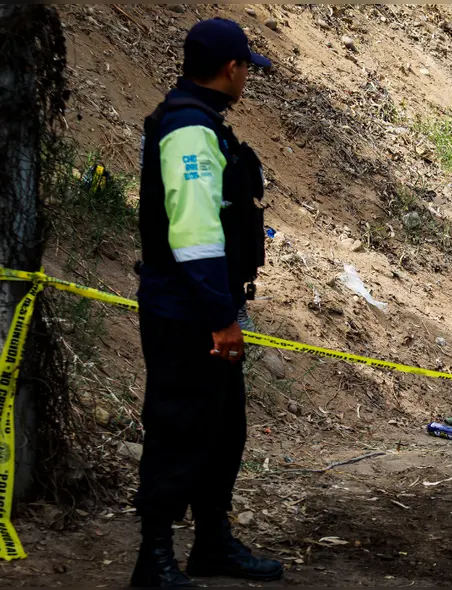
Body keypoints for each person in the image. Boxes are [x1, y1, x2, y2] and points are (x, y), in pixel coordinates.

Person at [132, 17, 278, 587]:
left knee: (221, 430)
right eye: (246, 68)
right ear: (231, 69)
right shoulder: (190, 131)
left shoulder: (198, 123)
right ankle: (155, 556)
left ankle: (211, 542)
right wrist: (220, 319)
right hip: (187, 313)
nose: (247, 78)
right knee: (179, 429)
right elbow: (194, 237)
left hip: (200, 307)